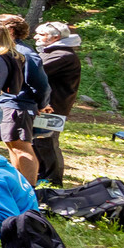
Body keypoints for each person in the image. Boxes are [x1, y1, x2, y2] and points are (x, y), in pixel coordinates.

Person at [0, 13, 49, 187]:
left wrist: (42, 104)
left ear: (9, 30)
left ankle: (30, 191)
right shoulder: (5, 50)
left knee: (21, 147)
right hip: (7, 104)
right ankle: (19, 187)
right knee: (12, 146)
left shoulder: (25, 53)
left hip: (19, 105)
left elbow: (41, 83)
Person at [34, 21, 81, 187]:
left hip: (53, 107)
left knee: (46, 142)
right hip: (47, 105)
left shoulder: (62, 55)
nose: (36, 37)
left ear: (55, 37)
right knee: (38, 142)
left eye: (40, 35)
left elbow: (34, 71)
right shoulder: (54, 51)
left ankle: (52, 181)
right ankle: (41, 175)